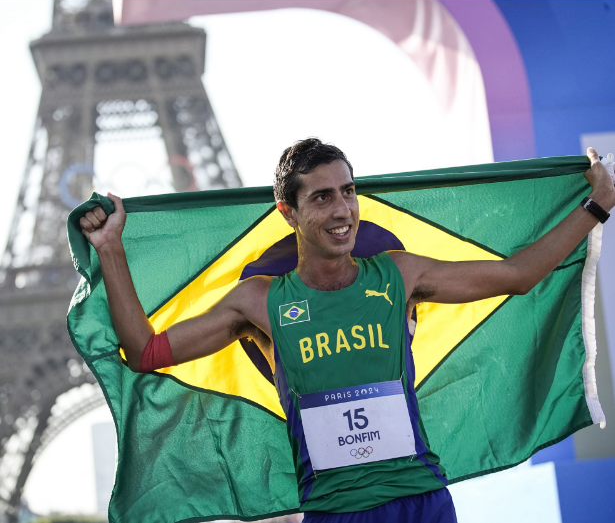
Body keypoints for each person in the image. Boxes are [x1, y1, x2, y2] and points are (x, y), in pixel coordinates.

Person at [79, 139, 614, 523]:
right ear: (287, 212)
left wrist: (597, 206)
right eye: (322, 197)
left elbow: (518, 276)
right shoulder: (261, 301)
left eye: (349, 191)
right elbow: (146, 351)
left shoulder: (401, 274)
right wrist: (110, 250)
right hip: (335, 511)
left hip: (420, 499)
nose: (343, 210)